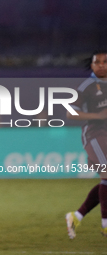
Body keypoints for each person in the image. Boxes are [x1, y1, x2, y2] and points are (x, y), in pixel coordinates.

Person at [65, 50, 107, 239]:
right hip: (94, 134)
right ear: (91, 65)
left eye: (105, 62)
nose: (101, 65)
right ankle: (106, 225)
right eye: (97, 62)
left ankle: (77, 215)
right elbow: (70, 113)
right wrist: (97, 116)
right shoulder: (87, 86)